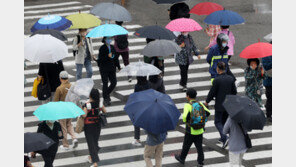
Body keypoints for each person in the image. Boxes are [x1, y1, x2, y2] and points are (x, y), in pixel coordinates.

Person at [205, 62, 237, 148]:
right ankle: (224, 138)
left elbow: (212, 92)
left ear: (218, 69)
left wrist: (207, 101)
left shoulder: (217, 80)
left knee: (217, 122)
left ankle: (224, 137)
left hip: (220, 105)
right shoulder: (230, 79)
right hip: (229, 104)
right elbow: (234, 92)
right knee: (225, 121)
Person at [175, 88, 210, 167]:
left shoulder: (187, 105)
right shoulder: (200, 104)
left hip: (190, 130)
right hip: (200, 129)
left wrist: (189, 120)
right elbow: (208, 112)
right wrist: (201, 121)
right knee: (199, 146)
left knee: (186, 145)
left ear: (188, 96)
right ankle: (200, 162)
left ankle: (182, 158)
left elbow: (184, 117)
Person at [53, 71, 78, 150]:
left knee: (63, 127)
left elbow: (56, 102)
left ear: (60, 79)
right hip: (70, 109)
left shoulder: (59, 89)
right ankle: (74, 138)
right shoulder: (72, 86)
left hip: (62, 111)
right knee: (69, 124)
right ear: (68, 78)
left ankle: (65, 145)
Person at [82, 89, 107, 167]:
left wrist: (82, 109)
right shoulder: (99, 103)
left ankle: (95, 163)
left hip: (89, 126)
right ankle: (91, 157)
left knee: (91, 144)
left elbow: (84, 115)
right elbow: (105, 111)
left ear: (90, 96)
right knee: (95, 141)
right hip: (97, 125)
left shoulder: (87, 104)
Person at [96, 37, 117, 106]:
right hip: (104, 68)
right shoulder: (102, 48)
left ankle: (106, 94)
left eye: (110, 38)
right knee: (105, 83)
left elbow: (115, 57)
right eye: (108, 38)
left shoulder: (112, 47)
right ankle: (106, 98)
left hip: (112, 68)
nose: (110, 40)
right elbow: (100, 59)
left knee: (114, 82)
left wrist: (118, 66)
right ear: (104, 40)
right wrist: (107, 56)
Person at [132, 76, 151, 146]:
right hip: (148, 105)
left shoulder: (137, 86)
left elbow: (135, 97)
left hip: (139, 106)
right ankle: (150, 137)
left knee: (136, 122)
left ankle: (137, 139)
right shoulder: (148, 84)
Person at [262, 54, 272, 123]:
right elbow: (266, 66)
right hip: (269, 82)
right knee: (270, 98)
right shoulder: (266, 55)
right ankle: (269, 115)